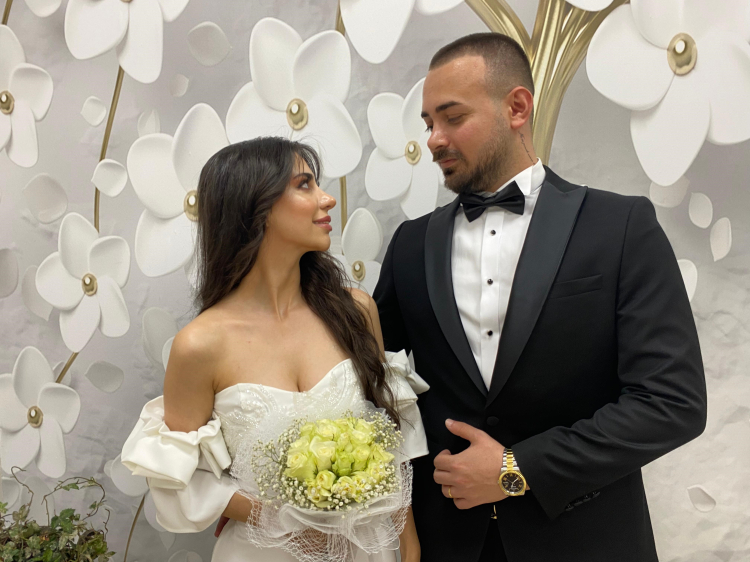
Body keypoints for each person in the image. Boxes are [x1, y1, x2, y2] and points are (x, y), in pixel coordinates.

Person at [373, 32, 707, 562]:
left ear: (517, 108)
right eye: (428, 123)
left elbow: (672, 403)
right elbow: (370, 382)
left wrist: (517, 469)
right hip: (447, 544)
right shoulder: (411, 244)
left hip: (588, 543)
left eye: (452, 117)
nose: (434, 139)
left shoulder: (621, 226)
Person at [121, 138, 428, 562]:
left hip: (370, 551)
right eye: (304, 185)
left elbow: (391, 435)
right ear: (257, 207)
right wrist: (285, 518)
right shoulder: (200, 345)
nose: (327, 199)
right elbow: (181, 478)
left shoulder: (356, 312)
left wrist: (408, 544)